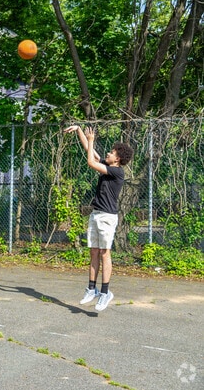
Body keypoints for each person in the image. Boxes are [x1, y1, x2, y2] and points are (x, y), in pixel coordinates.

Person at [63, 125, 134, 312]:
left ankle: (105, 293)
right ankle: (91, 289)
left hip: (107, 217)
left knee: (104, 253)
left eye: (111, 152)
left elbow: (91, 163)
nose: (108, 154)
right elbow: (90, 152)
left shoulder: (117, 172)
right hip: (96, 214)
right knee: (93, 252)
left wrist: (93, 139)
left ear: (118, 158)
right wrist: (79, 130)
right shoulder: (108, 166)